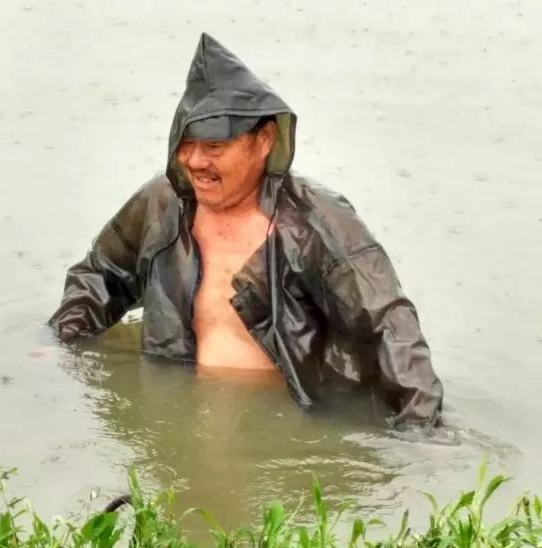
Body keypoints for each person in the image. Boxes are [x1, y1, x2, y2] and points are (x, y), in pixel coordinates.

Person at [49, 33, 443, 429]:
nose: (195, 161)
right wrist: (60, 345)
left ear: (264, 140)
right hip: (175, 416)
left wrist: (418, 430)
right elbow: (100, 276)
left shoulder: (316, 221)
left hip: (281, 428)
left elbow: (389, 324)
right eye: (186, 145)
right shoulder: (160, 204)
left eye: (214, 147)